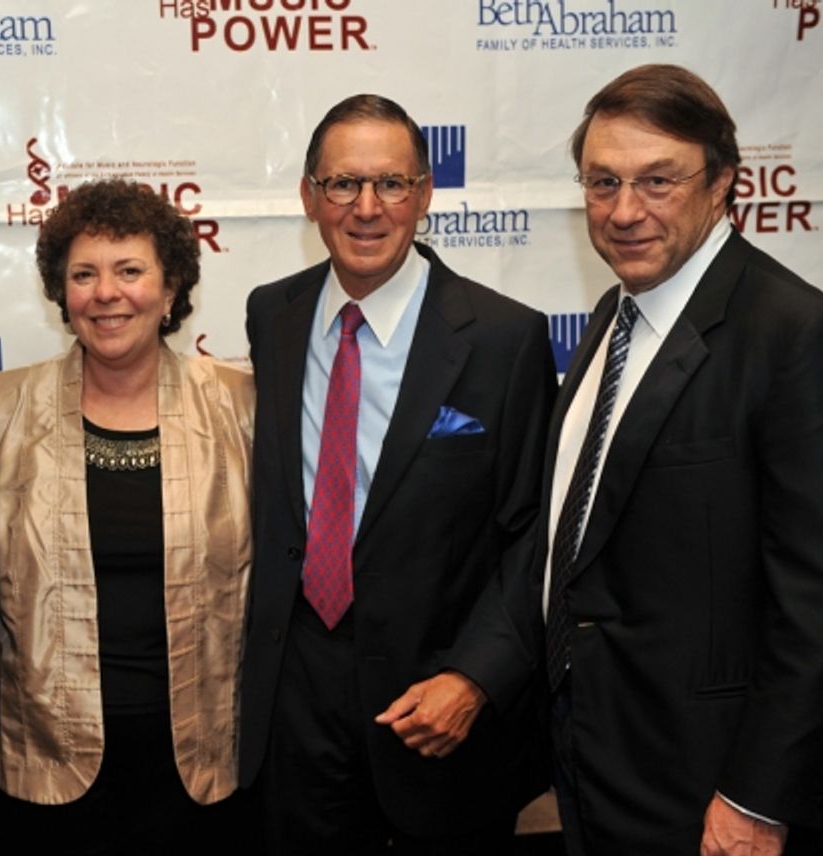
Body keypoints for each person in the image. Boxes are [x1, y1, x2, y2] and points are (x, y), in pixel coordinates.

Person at [238, 93, 556, 853]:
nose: (367, 208)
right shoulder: (271, 316)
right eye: (344, 184)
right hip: (294, 707)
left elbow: (535, 536)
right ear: (310, 196)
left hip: (439, 714)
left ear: (425, 194)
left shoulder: (504, 338)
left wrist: (475, 679)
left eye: (391, 184)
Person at [542, 63, 823, 854]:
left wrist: (758, 800)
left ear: (723, 187)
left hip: (715, 798)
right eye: (601, 182)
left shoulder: (793, 333)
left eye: (658, 181)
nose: (624, 211)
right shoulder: (616, 315)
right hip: (599, 767)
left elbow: (822, 603)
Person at [0, 179, 254, 854]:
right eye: (84, 274)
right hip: (42, 762)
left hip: (204, 760)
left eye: (130, 270)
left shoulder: (241, 405)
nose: (106, 293)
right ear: (60, 291)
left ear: (170, 289)